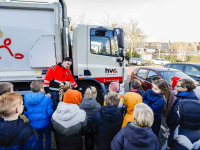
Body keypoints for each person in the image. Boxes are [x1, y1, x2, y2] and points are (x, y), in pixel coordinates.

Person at [24, 80, 54, 150]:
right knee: (48, 136)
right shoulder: (47, 99)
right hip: (46, 123)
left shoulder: (27, 99)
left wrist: (31, 118)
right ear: (41, 89)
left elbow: (26, 111)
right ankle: (48, 148)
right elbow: (50, 113)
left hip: (34, 123)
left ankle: (40, 148)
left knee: (39, 136)